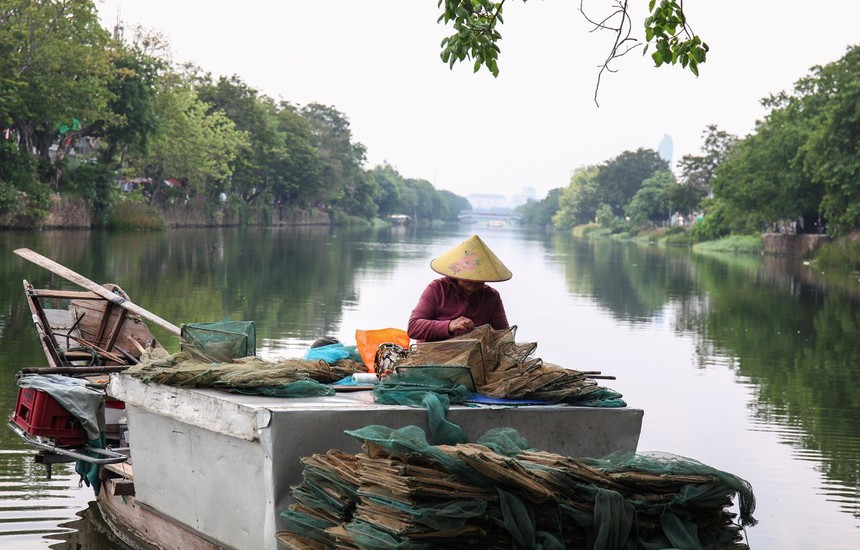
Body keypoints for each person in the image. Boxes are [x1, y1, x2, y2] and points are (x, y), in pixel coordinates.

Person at [407, 234, 512, 342]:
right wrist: (449, 325)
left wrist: (482, 333)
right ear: (457, 272)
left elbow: (504, 336)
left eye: (477, 276)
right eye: (467, 275)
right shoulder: (437, 288)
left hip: (472, 352)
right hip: (431, 350)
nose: (472, 280)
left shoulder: (492, 297)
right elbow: (413, 327)